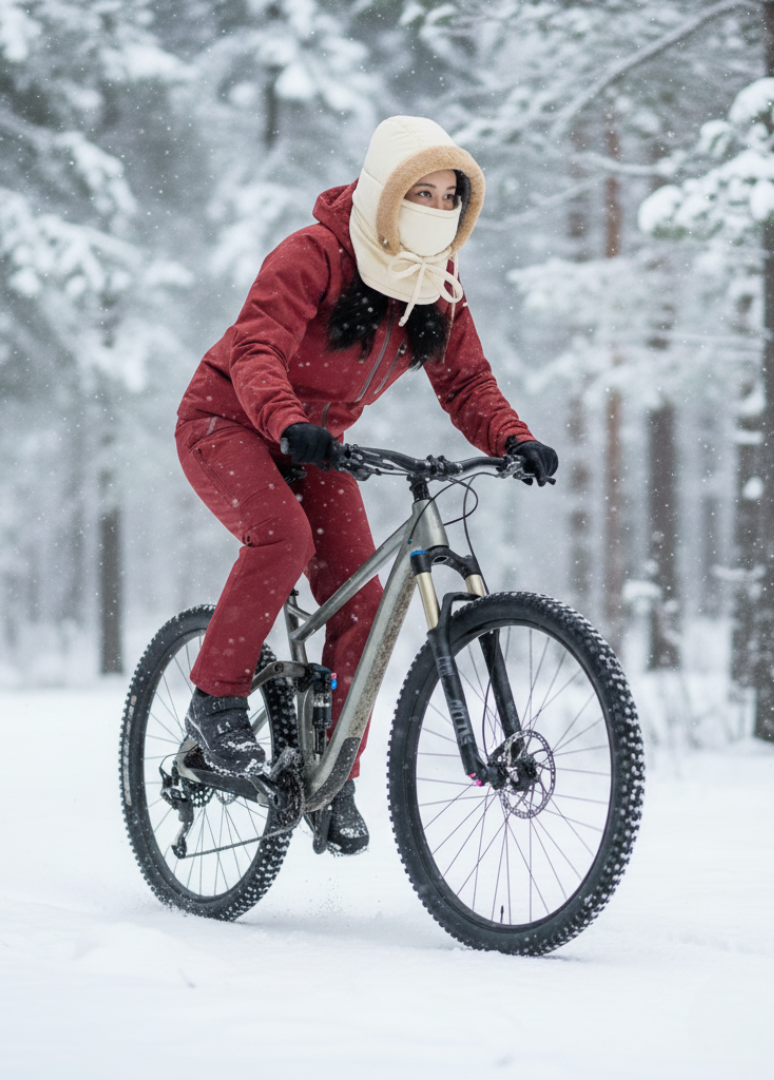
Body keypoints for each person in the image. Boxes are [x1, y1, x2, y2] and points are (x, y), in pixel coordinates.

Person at [174, 116, 558, 854]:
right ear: (383, 192)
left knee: (365, 605)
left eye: (450, 196)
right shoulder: (313, 254)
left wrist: (514, 438)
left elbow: (467, 382)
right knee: (282, 538)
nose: (437, 208)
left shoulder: (436, 285)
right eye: (421, 191)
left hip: (317, 446)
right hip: (227, 421)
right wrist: (286, 423)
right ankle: (214, 699)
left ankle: (332, 777)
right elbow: (257, 348)